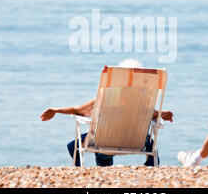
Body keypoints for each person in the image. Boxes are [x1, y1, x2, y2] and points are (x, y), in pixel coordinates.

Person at [40, 59, 174, 167]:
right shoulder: (144, 102)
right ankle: (151, 163)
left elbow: (80, 111)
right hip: (137, 143)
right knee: (149, 137)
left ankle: (90, 171)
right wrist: (163, 114)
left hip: (104, 144)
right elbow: (155, 114)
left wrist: (55, 110)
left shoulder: (106, 97)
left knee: (73, 146)